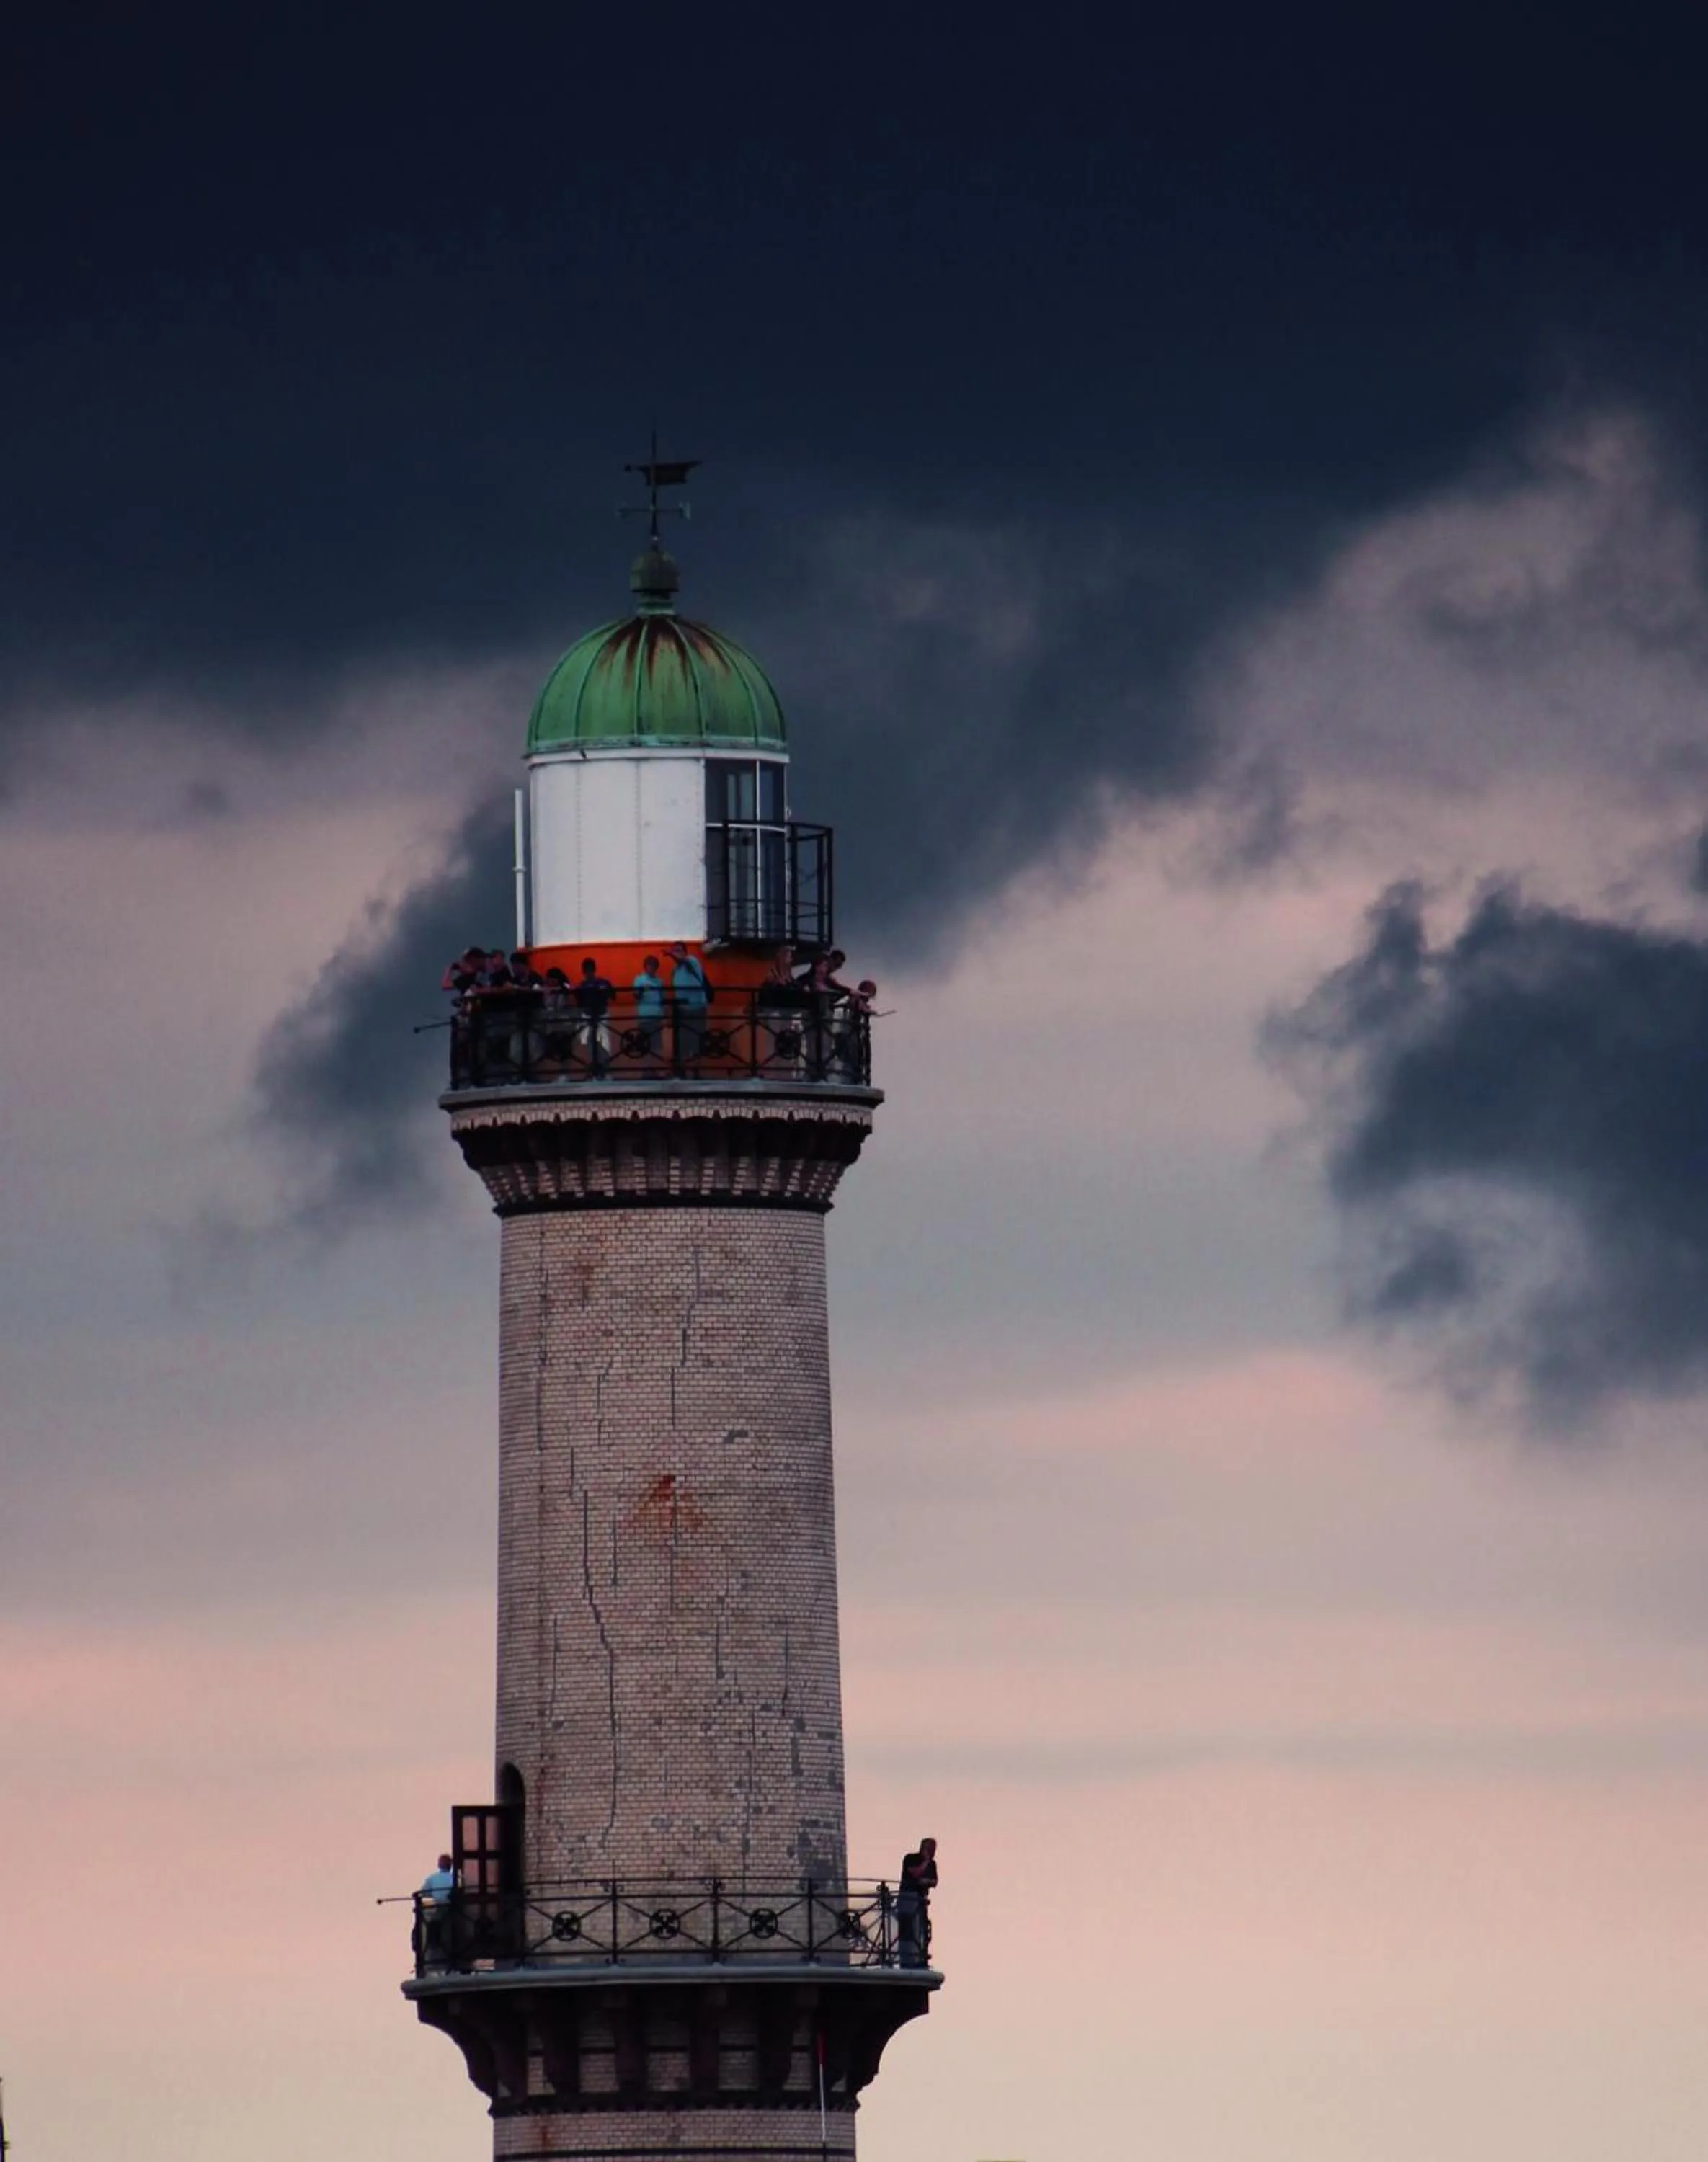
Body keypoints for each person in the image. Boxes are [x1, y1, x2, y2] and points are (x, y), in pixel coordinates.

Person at [894, 1836, 938, 1969]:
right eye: (931, 1849)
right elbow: (915, 1874)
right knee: (908, 1928)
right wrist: (925, 1862)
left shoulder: (933, 1864)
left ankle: (919, 1958)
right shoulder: (910, 1858)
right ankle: (906, 1960)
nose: (934, 1852)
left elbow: (934, 1882)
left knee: (920, 1929)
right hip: (908, 1897)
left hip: (921, 1900)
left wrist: (925, 1881)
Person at [668, 941, 711, 1071]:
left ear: (685, 952)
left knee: (697, 1040)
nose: (676, 953)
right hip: (682, 1009)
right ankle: (683, 1071)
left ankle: (696, 1071)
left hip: (696, 1007)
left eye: (679, 950)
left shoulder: (692, 961)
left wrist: (671, 954)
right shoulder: (675, 970)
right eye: (674, 950)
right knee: (683, 1042)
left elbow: (683, 961)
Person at [573, 956, 614, 1074]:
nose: (589, 972)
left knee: (604, 1041)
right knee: (589, 1042)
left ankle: (604, 1068)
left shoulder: (600, 983)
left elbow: (611, 994)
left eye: (590, 970)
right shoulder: (584, 985)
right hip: (588, 1016)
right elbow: (579, 1002)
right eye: (587, 970)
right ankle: (594, 1068)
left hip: (601, 1016)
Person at [419, 1851, 458, 1970]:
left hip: (440, 1909)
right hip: (454, 1910)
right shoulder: (456, 1878)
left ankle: (435, 1946)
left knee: (433, 1924)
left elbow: (423, 1893)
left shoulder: (432, 1878)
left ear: (439, 1865)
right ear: (450, 1865)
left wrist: (435, 1894)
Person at [631, 954, 667, 1059]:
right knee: (645, 1045)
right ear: (645, 966)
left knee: (656, 1045)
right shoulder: (639, 979)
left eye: (653, 965)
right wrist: (642, 990)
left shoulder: (660, 981)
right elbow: (636, 995)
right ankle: (646, 1067)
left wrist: (664, 1014)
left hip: (657, 1017)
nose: (651, 968)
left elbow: (663, 999)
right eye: (649, 965)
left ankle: (654, 1066)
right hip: (644, 1016)